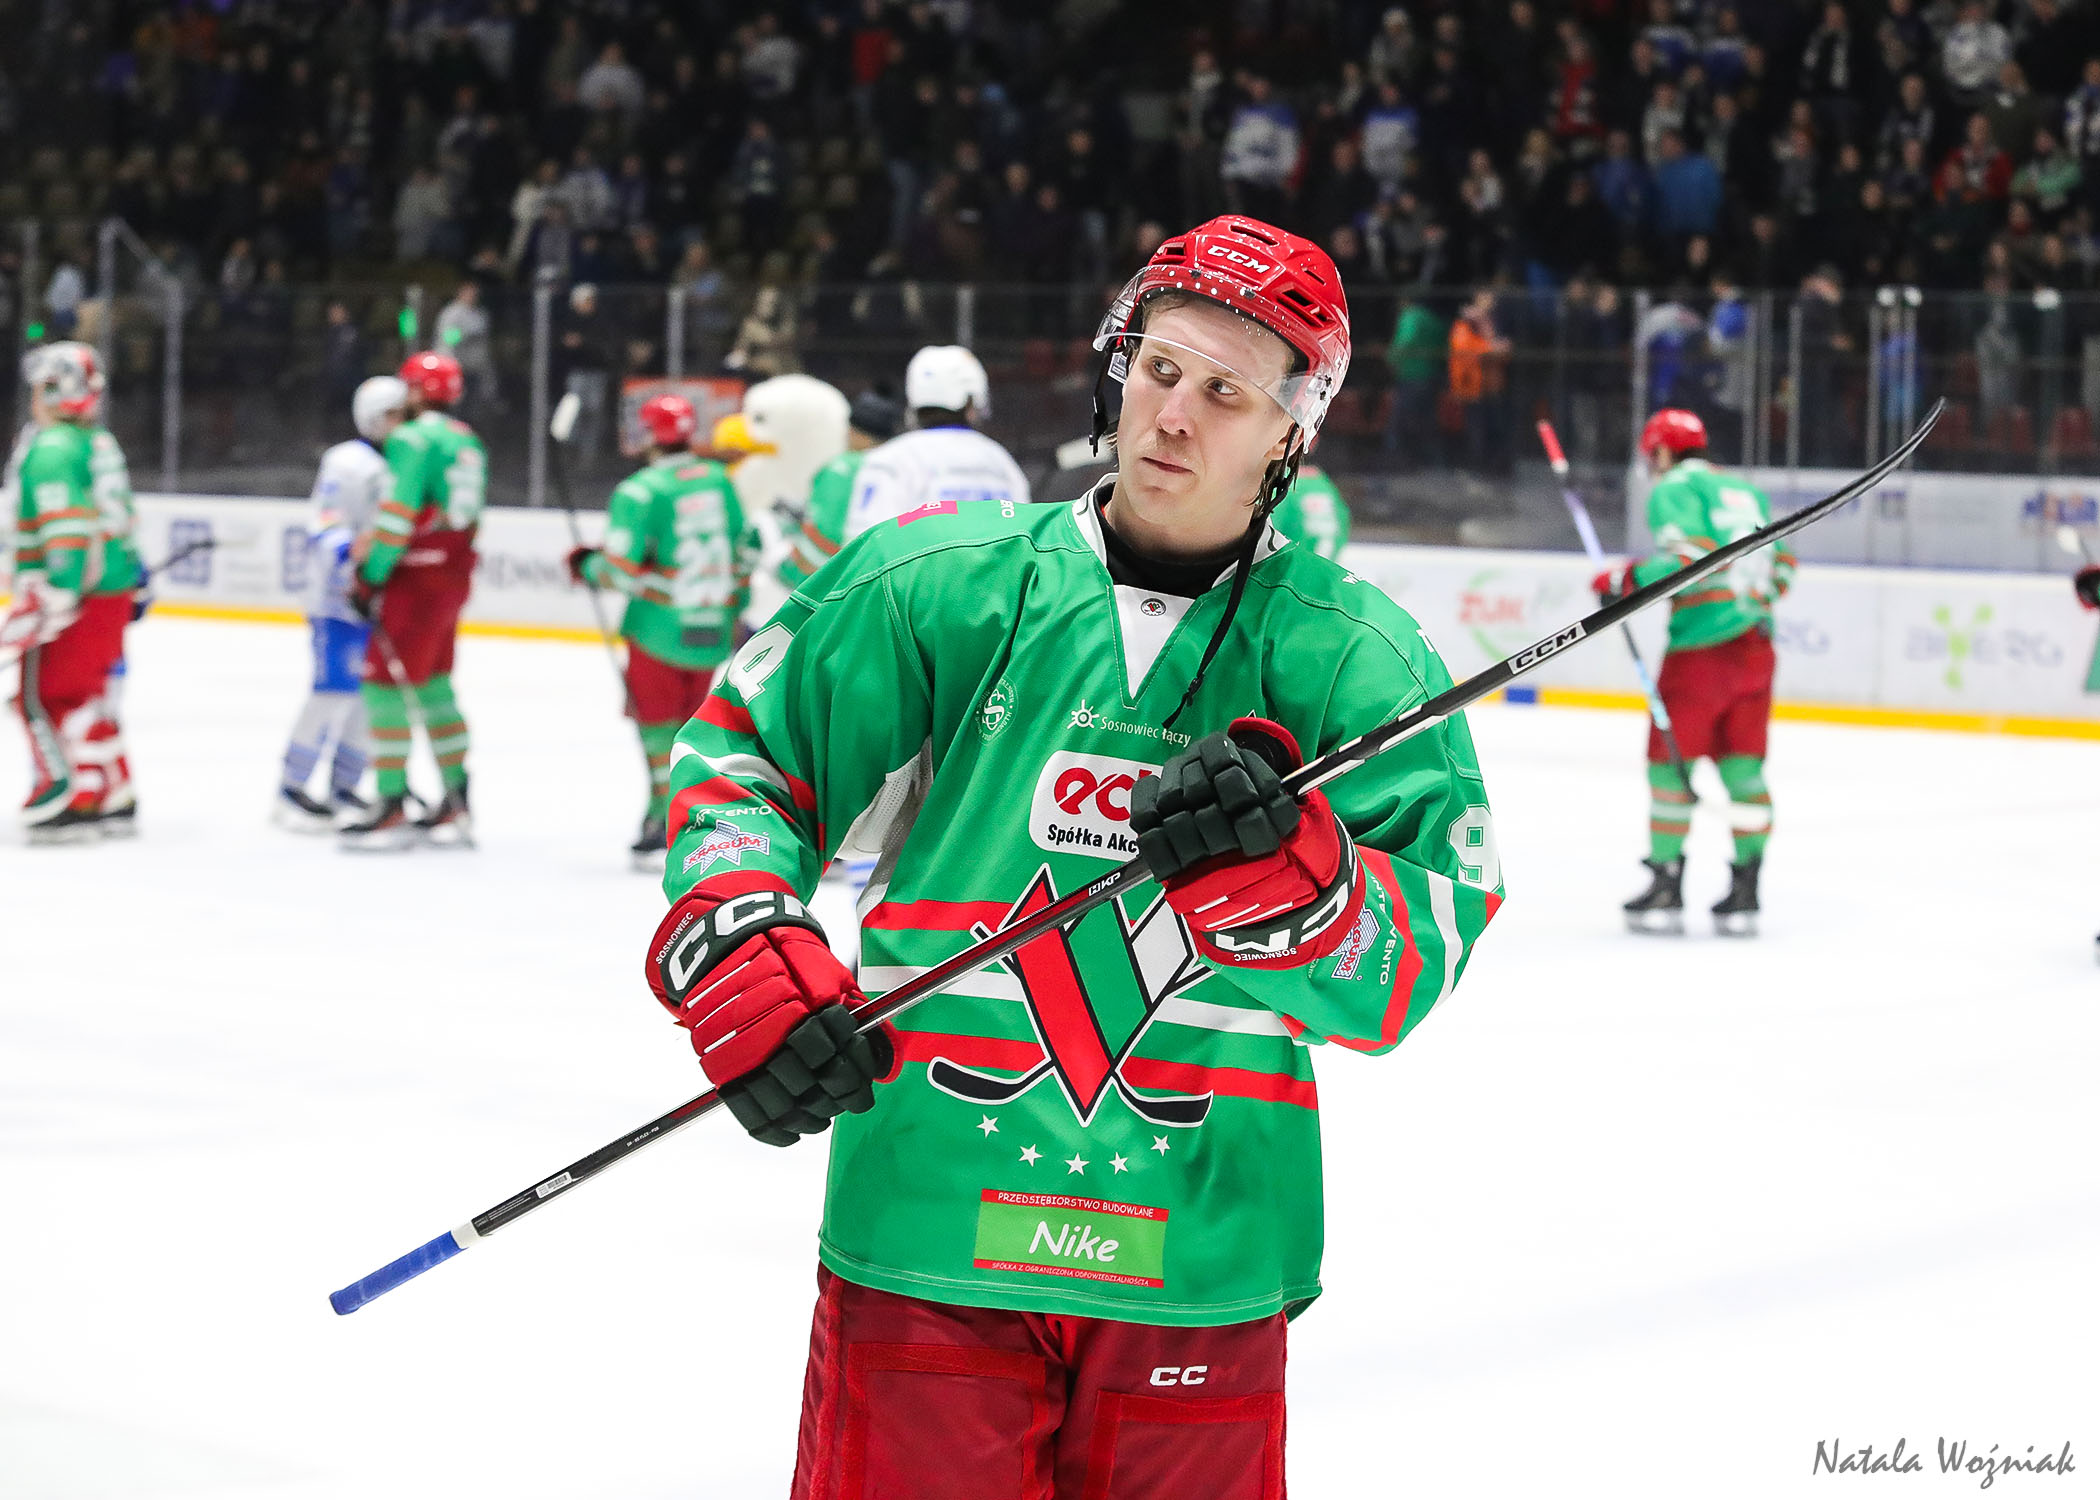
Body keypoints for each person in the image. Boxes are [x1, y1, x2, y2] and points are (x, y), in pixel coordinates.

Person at [644, 215, 1501, 1495]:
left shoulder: (1356, 660)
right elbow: (744, 764)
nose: (1173, 416)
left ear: (1293, 431)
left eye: (1226, 393)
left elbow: (1411, 961)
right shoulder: (938, 583)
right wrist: (743, 947)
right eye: (1160, 370)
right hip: (931, 1238)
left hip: (1198, 1260)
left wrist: (1298, 883)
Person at [1592, 408, 1794, 937]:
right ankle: (1747, 888)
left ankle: (1666, 882)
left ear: (1661, 452)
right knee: (1743, 769)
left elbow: (1691, 561)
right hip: (1756, 647)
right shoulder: (1744, 491)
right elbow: (1784, 565)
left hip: (1701, 652)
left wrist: (1624, 580)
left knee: (1669, 769)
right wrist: (1749, 604)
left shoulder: (1675, 488)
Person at [565, 393, 757, 868]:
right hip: (711, 628)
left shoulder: (642, 491)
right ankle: (692, 811)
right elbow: (747, 548)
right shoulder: (719, 480)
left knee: (656, 728)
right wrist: (734, 607)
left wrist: (586, 566)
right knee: (693, 727)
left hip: (659, 630)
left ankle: (664, 818)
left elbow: (619, 571)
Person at [340, 351, 486, 851]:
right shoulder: (467, 440)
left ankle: (390, 800)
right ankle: (456, 795)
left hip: (415, 579)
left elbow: (398, 515)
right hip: (452, 576)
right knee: (434, 686)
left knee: (384, 684)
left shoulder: (411, 438)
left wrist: (370, 574)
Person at [3, 342, 142, 841]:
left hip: (76, 591)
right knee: (89, 693)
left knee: (46, 696)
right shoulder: (97, 442)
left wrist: (56, 593)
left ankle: (75, 795)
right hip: (109, 590)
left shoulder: (52, 448)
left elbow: (66, 528)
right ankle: (114, 787)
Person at [275, 376, 405, 830]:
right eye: (393, 414)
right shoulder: (347, 462)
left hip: (380, 597)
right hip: (337, 599)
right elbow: (326, 521)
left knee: (369, 698)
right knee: (332, 692)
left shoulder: (405, 460)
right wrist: (351, 551)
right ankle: (291, 789)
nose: (402, 422)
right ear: (371, 417)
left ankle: (345, 786)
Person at [842, 345, 1030, 540]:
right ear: (972, 397)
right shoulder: (1001, 461)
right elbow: (1025, 538)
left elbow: (865, 541)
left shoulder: (889, 460)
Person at [776, 389, 901, 590]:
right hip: (884, 578)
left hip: (833, 581)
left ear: (855, 431)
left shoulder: (842, 466)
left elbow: (822, 532)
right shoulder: (902, 467)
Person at [1269, 460, 1353, 562]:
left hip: (1287, 568)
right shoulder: (1325, 486)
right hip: (1323, 567)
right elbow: (1343, 523)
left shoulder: (1283, 486)